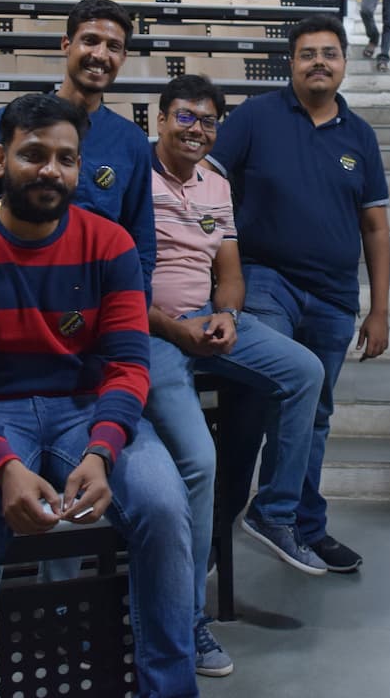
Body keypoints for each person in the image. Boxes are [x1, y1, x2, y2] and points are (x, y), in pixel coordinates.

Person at [0, 92, 196, 698]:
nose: (51, 170)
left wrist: (101, 454)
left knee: (166, 508)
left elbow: (126, 366)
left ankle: (170, 688)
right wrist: (3, 466)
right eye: (34, 154)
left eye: (66, 159)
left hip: (84, 408)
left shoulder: (111, 243)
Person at [145, 74, 329, 675]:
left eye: (208, 121)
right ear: (160, 118)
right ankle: (188, 619)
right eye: (185, 117)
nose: (197, 129)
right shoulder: (131, 178)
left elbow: (229, 270)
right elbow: (116, 284)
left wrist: (225, 314)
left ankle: (273, 511)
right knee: (200, 460)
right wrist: (179, 331)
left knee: (305, 370)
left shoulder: (216, 185)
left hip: (208, 321)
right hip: (151, 333)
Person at [209, 14, 390, 574]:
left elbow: (376, 228)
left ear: (343, 63)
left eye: (329, 53)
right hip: (267, 280)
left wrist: (380, 308)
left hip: (335, 296)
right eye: (307, 53)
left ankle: (300, 524)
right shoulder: (256, 117)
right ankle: (222, 526)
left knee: (314, 413)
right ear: (290, 62)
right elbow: (207, 184)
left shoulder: (359, 136)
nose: (319, 62)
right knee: (257, 400)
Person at [0, 0, 155, 297]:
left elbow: (141, 238)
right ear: (66, 45)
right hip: (15, 287)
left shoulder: (131, 141)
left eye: (113, 47)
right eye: (90, 40)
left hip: (95, 293)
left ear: (123, 57)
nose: (100, 55)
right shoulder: (7, 122)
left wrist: (134, 301)